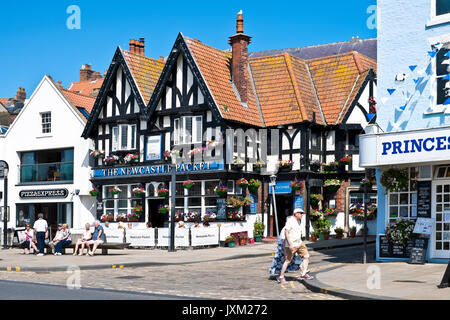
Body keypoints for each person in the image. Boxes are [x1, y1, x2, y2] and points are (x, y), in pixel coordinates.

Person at [277, 208, 313, 284]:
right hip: (292, 244)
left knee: (306, 256)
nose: (302, 215)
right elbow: (286, 233)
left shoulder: (298, 221)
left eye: (302, 213)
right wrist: (290, 244)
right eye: (301, 213)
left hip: (299, 243)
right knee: (287, 261)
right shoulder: (290, 221)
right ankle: (281, 277)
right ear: (296, 214)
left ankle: (303, 274)